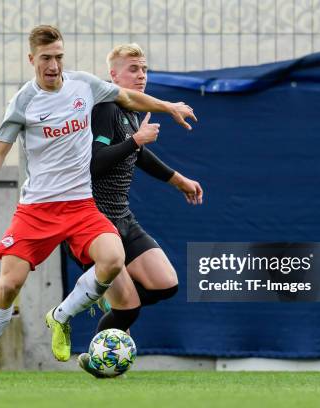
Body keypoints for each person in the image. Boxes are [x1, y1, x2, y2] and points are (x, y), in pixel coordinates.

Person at [0, 25, 197, 381]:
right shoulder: (24, 101)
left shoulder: (84, 86)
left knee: (114, 257)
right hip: (36, 209)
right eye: (46, 58)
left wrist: (169, 107)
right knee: (10, 285)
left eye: (58, 57)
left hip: (80, 206)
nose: (53, 65)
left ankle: (61, 316)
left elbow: (130, 99)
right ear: (32, 60)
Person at [69, 44, 203, 377]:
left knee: (166, 283)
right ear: (113, 75)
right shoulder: (105, 108)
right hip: (95, 224)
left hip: (122, 217)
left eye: (143, 69)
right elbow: (94, 164)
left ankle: (108, 298)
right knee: (128, 308)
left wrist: (178, 180)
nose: (141, 75)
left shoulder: (131, 111)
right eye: (133, 69)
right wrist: (136, 141)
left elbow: (138, 156)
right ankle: (98, 357)